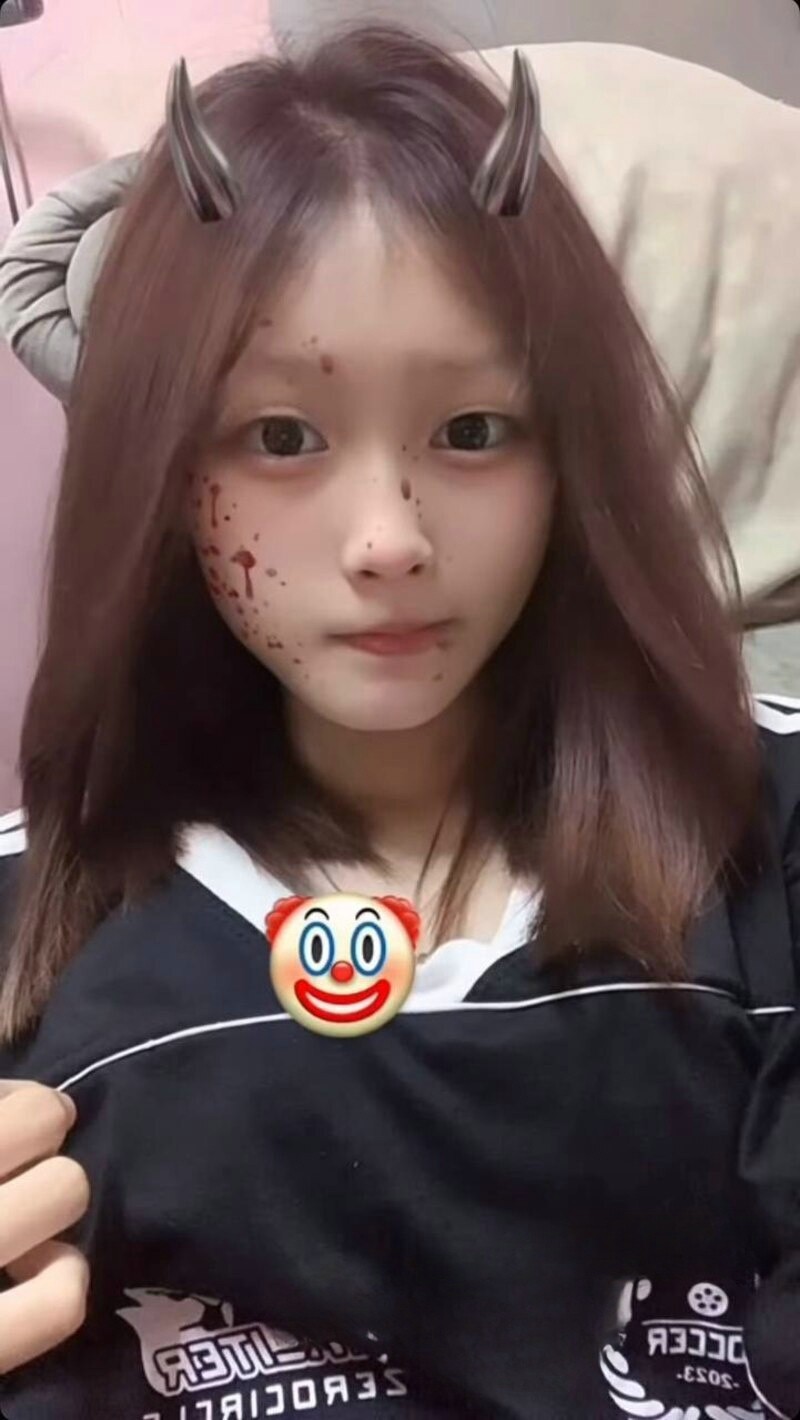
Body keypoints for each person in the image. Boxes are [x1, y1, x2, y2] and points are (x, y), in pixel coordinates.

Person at [0, 20, 797, 1420]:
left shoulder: (770, 835)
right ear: (163, 478)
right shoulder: (27, 928)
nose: (389, 541)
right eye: (282, 438)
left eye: (475, 431)